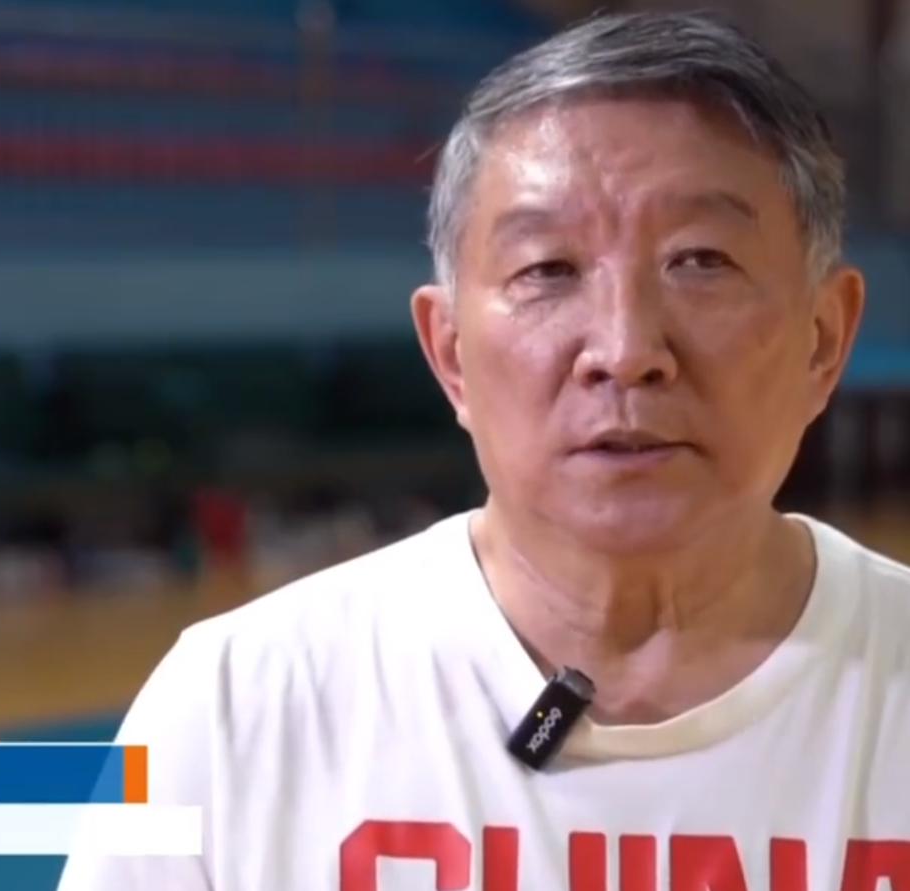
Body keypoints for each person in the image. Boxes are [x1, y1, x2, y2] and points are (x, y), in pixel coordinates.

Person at [57, 11, 910, 890]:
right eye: (547, 269)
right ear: (450, 352)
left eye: (699, 260)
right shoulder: (236, 706)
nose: (623, 349)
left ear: (822, 338)